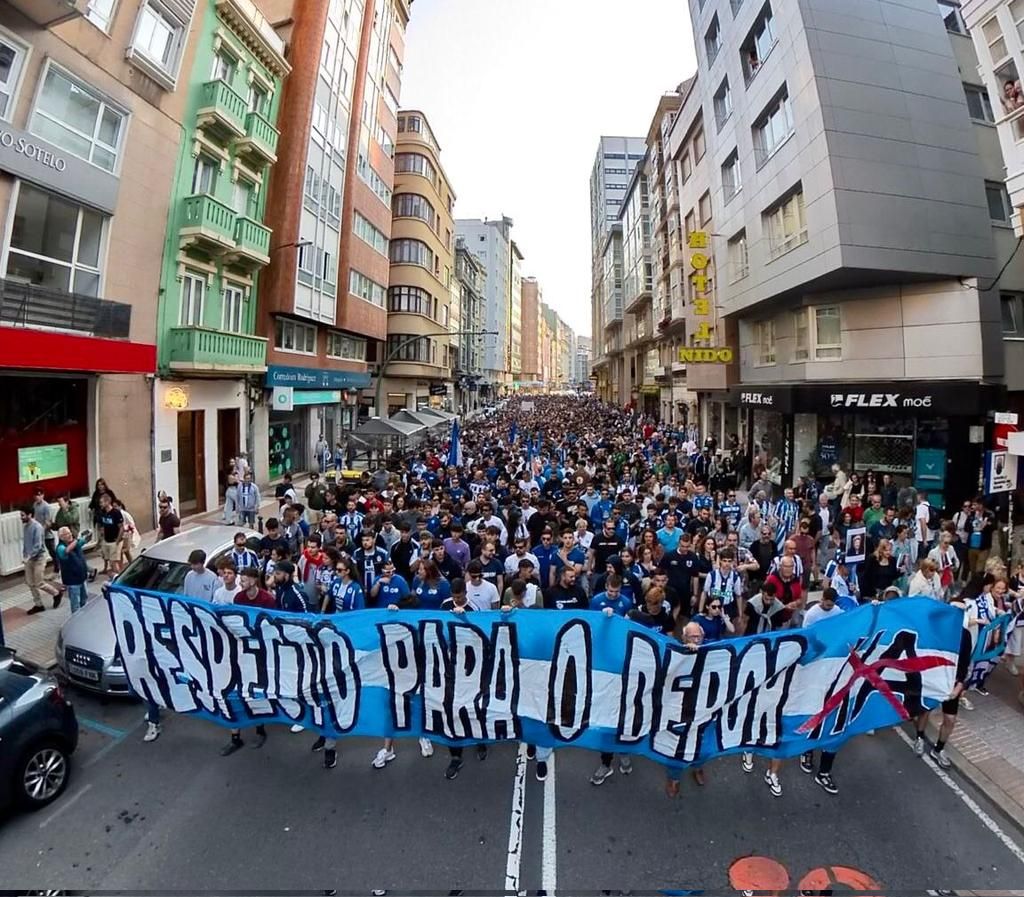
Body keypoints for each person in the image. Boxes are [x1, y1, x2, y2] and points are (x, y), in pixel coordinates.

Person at [21, 506, 62, 614]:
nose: (21, 517)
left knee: (39, 583)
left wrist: (29, 556)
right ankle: (38, 605)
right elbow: (26, 543)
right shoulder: (25, 527)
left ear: (30, 515)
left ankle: (56, 593)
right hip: (29, 559)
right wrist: (25, 555)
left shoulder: (37, 527)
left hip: (39, 559)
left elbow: (38, 545)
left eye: (23, 515)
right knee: (30, 583)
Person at [55, 526, 90, 613]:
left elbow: (84, 540)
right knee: (75, 603)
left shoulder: (75, 542)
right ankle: (76, 621)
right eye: (66, 534)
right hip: (72, 581)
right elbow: (66, 551)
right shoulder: (60, 547)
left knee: (84, 599)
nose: (70, 535)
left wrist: (88, 534)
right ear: (61, 537)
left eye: (69, 532)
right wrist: (77, 540)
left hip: (82, 577)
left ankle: (84, 617)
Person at [97, 492, 125, 577]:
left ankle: (118, 577)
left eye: (101, 502)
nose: (100, 504)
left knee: (114, 562)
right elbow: (102, 527)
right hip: (106, 540)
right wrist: (101, 539)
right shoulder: (103, 513)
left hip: (114, 540)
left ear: (107, 502)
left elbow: (121, 527)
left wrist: (117, 540)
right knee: (109, 561)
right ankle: (114, 576)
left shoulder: (116, 513)